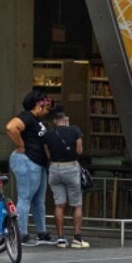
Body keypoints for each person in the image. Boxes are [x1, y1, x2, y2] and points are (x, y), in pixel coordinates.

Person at [5, 87, 54, 245]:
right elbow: (11, 127)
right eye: (46, 107)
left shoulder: (35, 120)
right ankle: (21, 233)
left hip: (37, 162)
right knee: (25, 198)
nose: (47, 110)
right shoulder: (27, 117)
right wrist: (21, 145)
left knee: (38, 200)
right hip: (27, 160)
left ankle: (41, 232)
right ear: (38, 105)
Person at [44, 106, 89, 248]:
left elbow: (48, 155)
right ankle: (77, 238)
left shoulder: (48, 135)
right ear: (64, 119)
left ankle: (61, 238)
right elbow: (79, 151)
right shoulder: (75, 130)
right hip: (71, 167)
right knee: (76, 204)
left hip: (55, 169)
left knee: (59, 204)